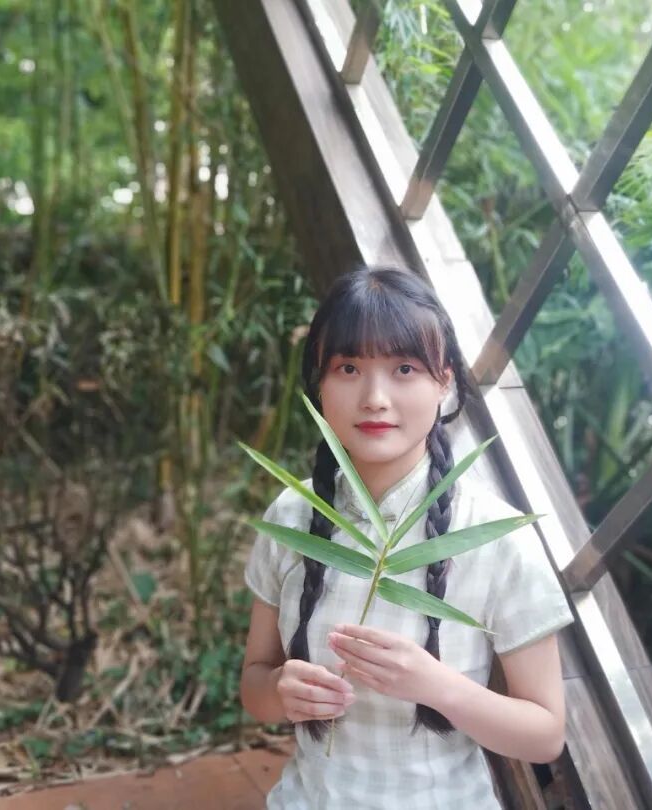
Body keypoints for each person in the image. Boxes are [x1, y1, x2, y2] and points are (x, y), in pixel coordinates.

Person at [240, 266, 575, 809]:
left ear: (444, 382)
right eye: (349, 368)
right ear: (320, 384)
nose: (375, 398)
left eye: (404, 368)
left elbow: (544, 736)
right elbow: (254, 685)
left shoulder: (494, 536)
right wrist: (281, 692)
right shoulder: (292, 515)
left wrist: (435, 686)